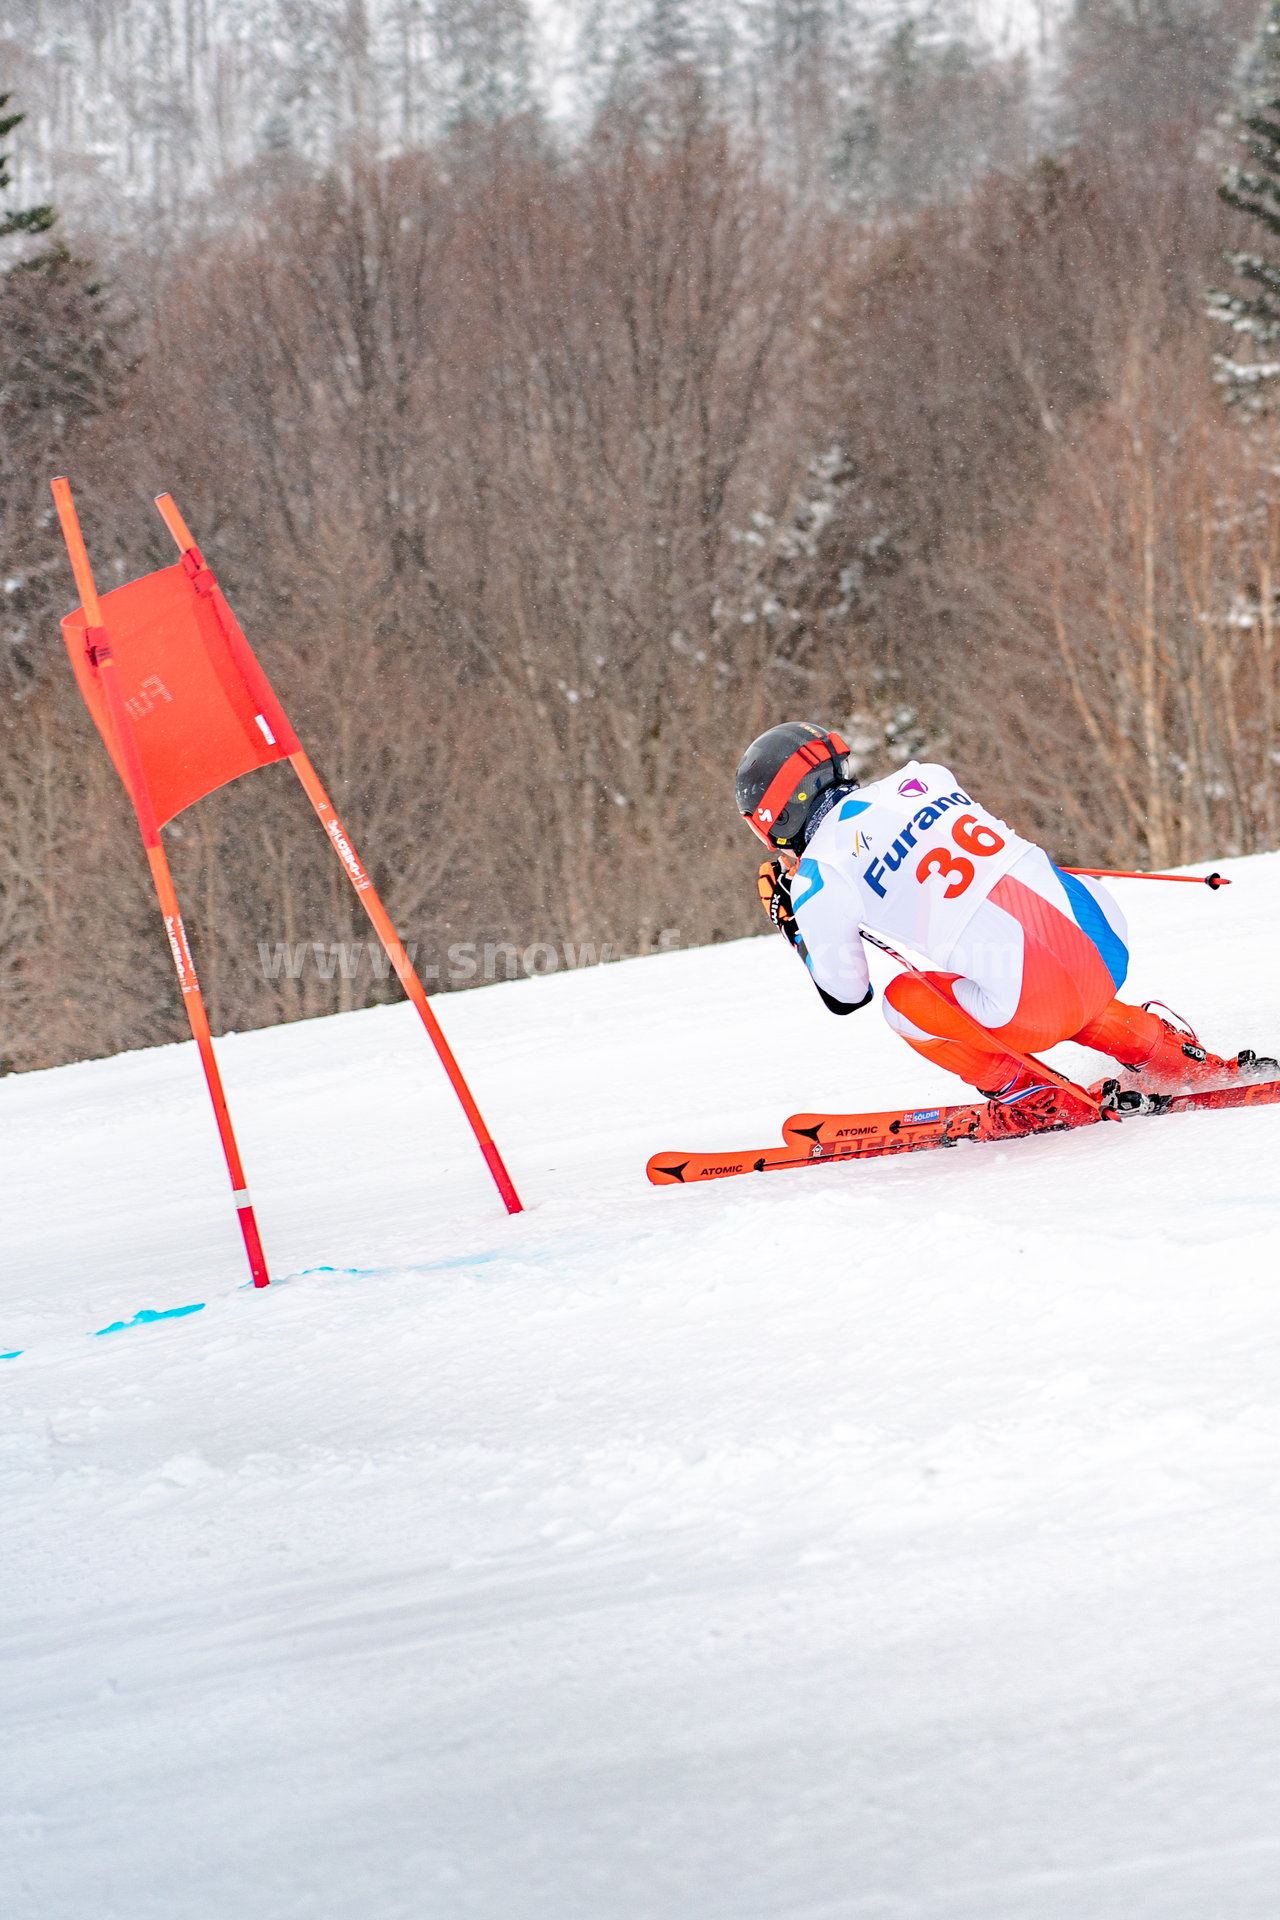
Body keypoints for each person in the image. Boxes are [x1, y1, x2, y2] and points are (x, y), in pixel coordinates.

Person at [737, 721, 1273, 1134]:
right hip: (1107, 941)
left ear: (775, 817)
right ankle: (1170, 1055)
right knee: (1033, 958)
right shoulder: (923, 777)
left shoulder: (818, 877)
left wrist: (796, 924)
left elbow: (845, 993)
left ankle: (1033, 1099)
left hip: (1038, 997)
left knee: (904, 1005)